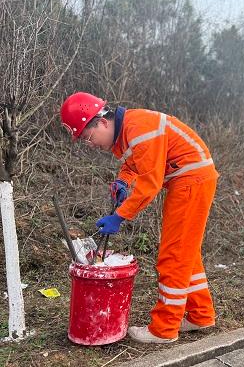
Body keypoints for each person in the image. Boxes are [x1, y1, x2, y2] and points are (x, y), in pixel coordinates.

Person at [60, 92, 218, 343]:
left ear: (101, 122)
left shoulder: (138, 129)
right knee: (186, 252)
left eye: (88, 137)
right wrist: (123, 180)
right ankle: (200, 315)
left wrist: (119, 217)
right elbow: (136, 162)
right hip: (189, 179)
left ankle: (164, 329)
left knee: (174, 255)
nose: (90, 144)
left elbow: (151, 183)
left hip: (190, 181)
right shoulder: (127, 131)